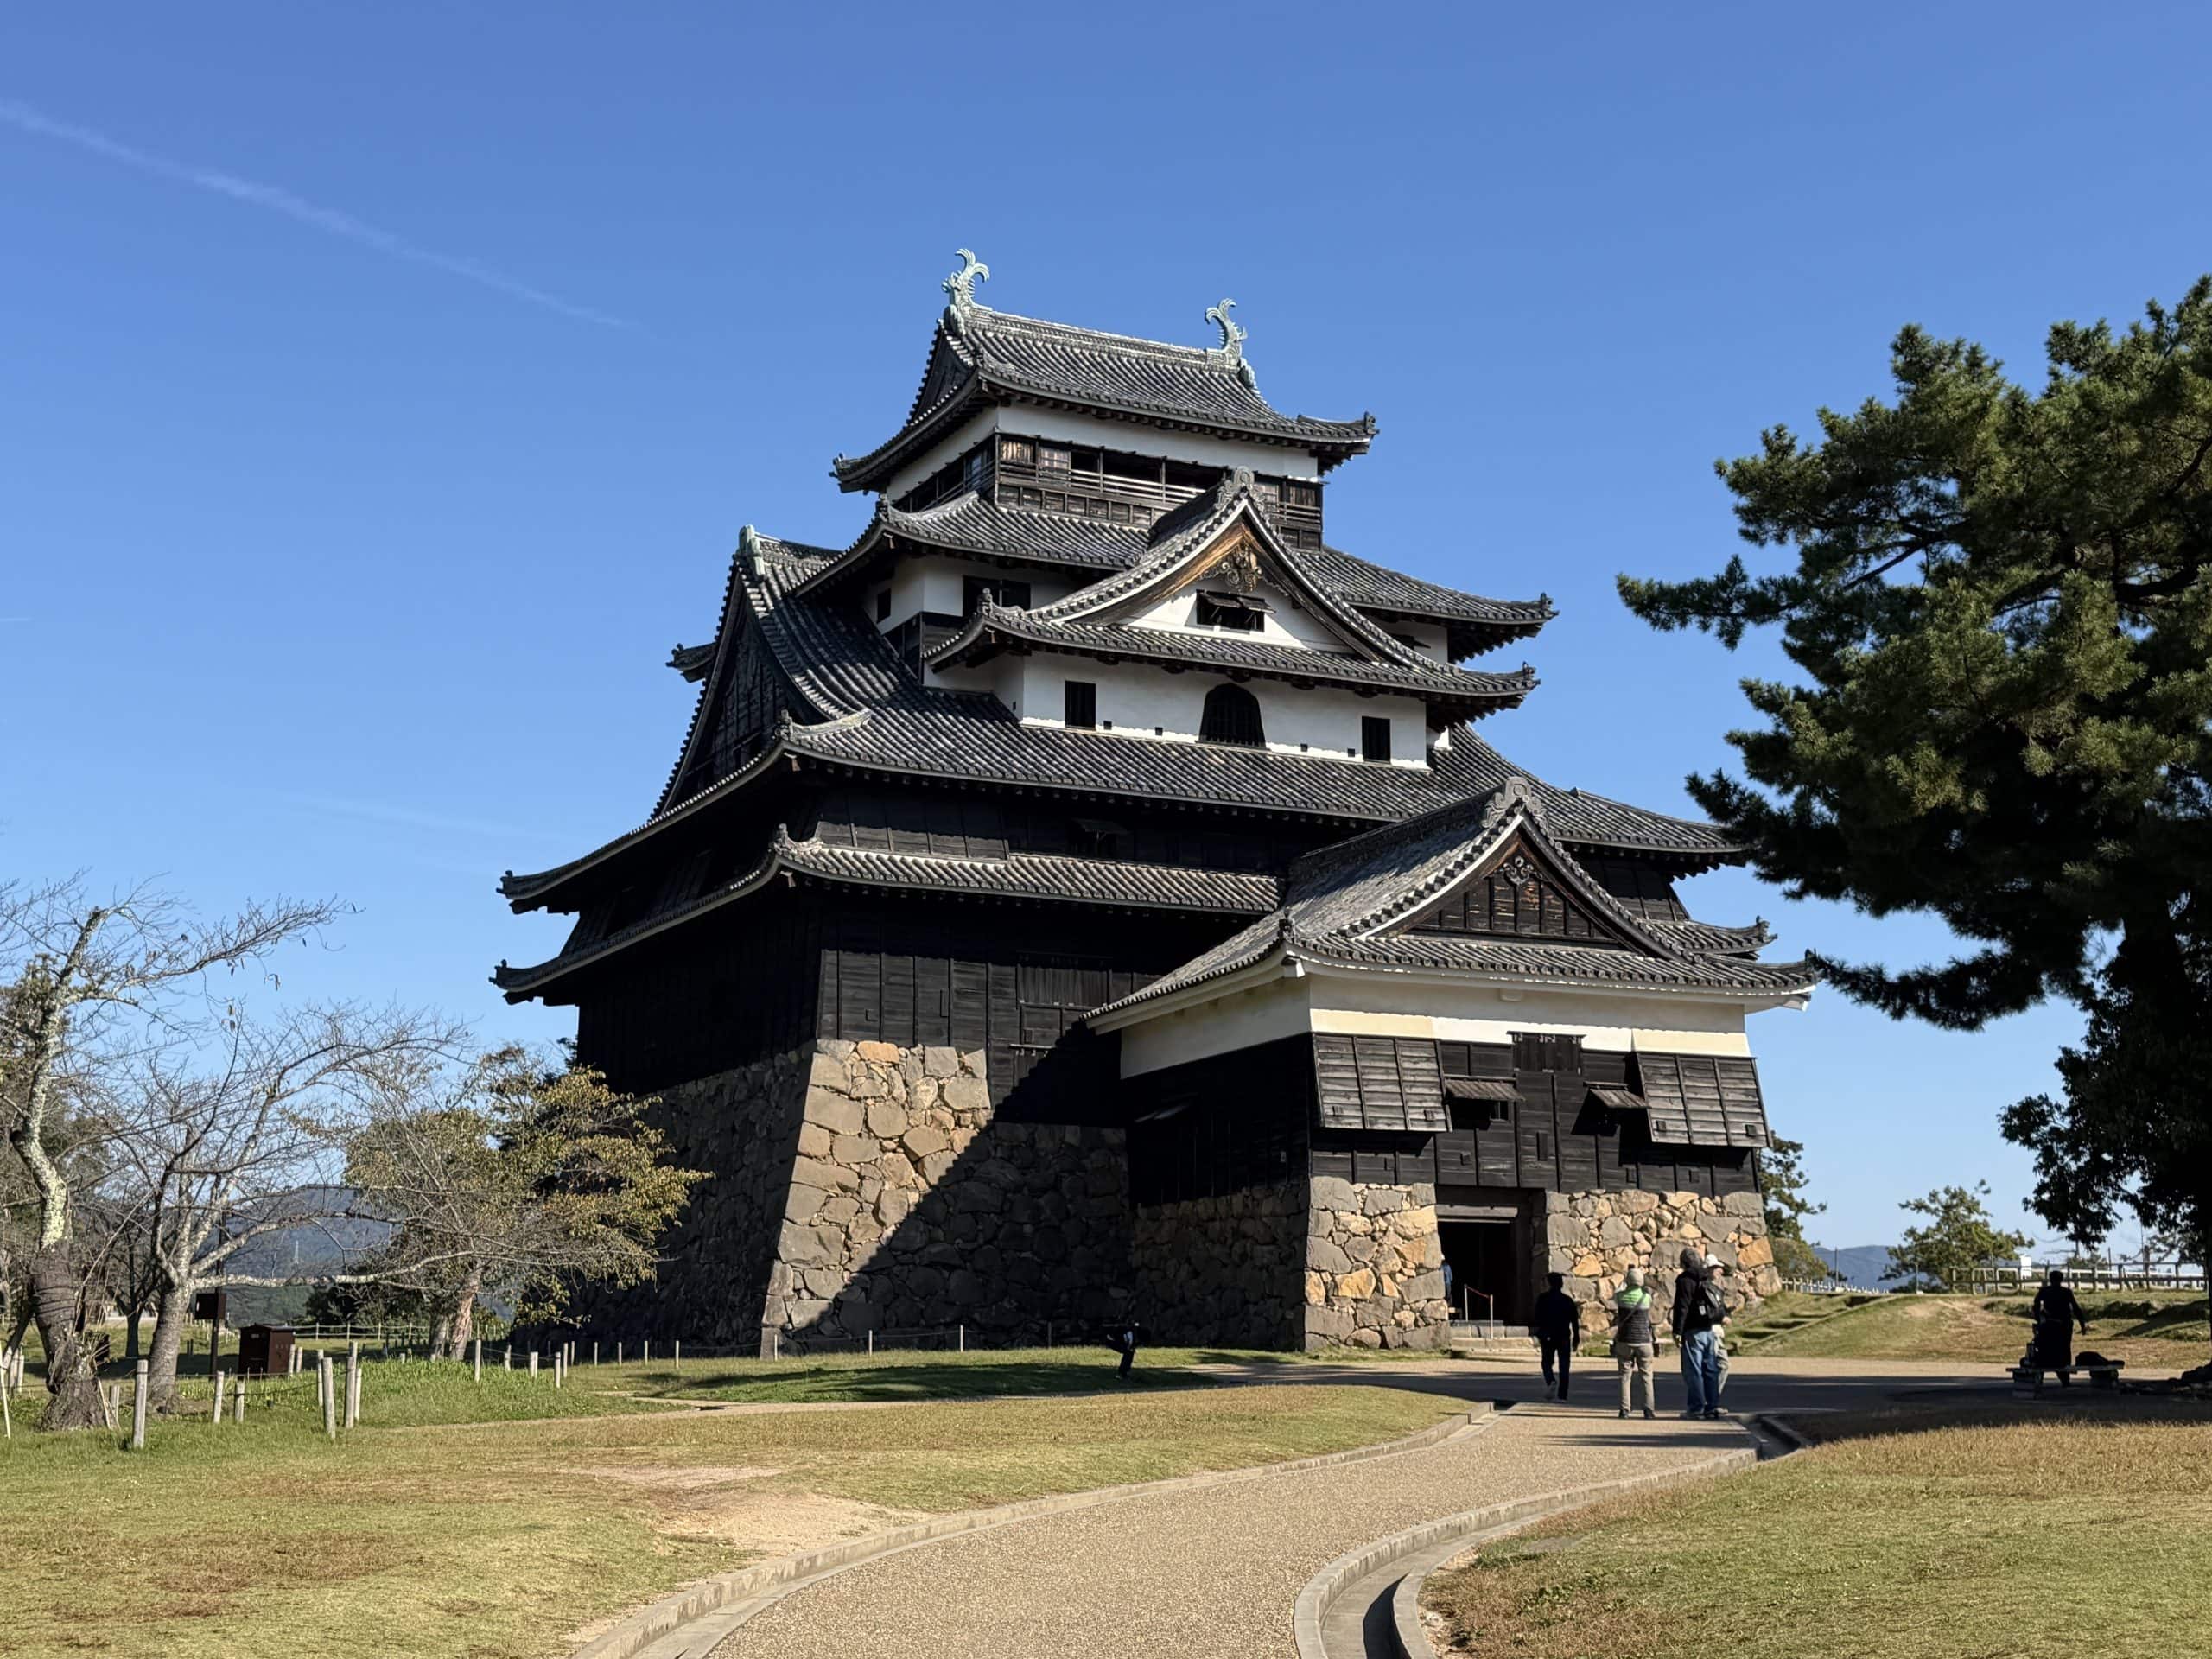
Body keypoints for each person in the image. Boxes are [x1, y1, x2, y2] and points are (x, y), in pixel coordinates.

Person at [1670, 1244, 1726, 1420]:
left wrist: (1677, 1331)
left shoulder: (1685, 1280)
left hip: (1692, 1330)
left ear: (1684, 1263)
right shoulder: (1705, 1277)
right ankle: (1712, 1406)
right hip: (1708, 1328)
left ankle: (1696, 1408)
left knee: (1693, 1371)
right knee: (1710, 1369)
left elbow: (1682, 1307)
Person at [1611, 1266, 1658, 1420]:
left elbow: (1616, 1293)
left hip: (1625, 1340)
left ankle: (1625, 1410)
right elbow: (1652, 1292)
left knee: (1625, 1376)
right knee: (1647, 1376)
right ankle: (1648, 1409)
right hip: (1644, 1341)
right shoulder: (1646, 1298)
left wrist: (1623, 1282)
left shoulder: (1621, 1297)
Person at [2030, 1270, 2090, 1377]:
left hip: (2049, 1323)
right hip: (2064, 1324)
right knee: (2065, 1348)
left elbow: (2036, 1304)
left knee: (2046, 1346)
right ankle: (2065, 1374)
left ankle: (2043, 1369)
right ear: (2061, 1280)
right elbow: (2076, 1308)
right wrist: (2082, 1324)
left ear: (2050, 1279)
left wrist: (2039, 1318)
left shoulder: (2044, 1291)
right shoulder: (2066, 1292)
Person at [1532, 1272, 1581, 1401]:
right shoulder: (1567, 1300)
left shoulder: (1543, 1299)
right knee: (1564, 1366)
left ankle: (1551, 1381)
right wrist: (1576, 1336)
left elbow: (1537, 1317)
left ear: (1549, 1284)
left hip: (1548, 1336)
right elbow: (1574, 1320)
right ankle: (1563, 1395)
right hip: (1564, 1335)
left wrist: (1539, 1333)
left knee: (1546, 1363)